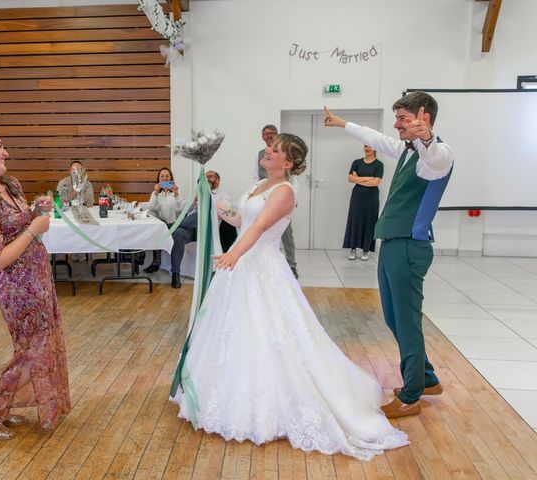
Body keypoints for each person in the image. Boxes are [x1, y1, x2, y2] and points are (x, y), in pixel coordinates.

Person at [171, 133, 408, 460]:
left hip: (262, 266)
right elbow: (242, 221)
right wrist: (216, 204)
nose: (268, 152)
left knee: (273, 333)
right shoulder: (259, 186)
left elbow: (258, 229)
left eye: (276, 150)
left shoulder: (284, 191)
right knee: (234, 331)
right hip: (243, 266)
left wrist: (233, 255)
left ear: (289, 163)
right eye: (270, 148)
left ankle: (272, 404)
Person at [324, 91, 454, 419]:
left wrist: (427, 137)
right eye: (397, 119)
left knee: (407, 322)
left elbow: (435, 155)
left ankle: (411, 396)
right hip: (393, 243)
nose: (397, 125)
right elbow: (377, 138)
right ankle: (425, 378)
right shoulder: (407, 151)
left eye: (403, 119)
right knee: (393, 317)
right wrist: (342, 124)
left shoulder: (437, 154)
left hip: (409, 246)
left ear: (424, 117)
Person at [0, 127, 71, 440]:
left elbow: (18, 227)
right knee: (34, 355)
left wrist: (36, 211)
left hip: (39, 280)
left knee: (33, 351)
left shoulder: (10, 184)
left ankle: (0, 410)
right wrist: (34, 229)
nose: (5, 152)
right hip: (18, 289)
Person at [254, 124, 298, 278]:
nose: (269, 136)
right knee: (261, 230)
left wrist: (294, 196)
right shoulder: (259, 154)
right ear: (262, 136)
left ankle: (291, 265)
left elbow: (293, 177)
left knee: (286, 233)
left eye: (272, 133)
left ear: (277, 135)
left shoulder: (285, 153)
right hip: (264, 197)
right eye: (265, 134)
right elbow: (256, 177)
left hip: (281, 196)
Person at [343, 145, 383, 261]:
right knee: (354, 220)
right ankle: (353, 249)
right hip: (357, 196)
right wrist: (368, 178)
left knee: (369, 221)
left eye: (370, 146)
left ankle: (366, 250)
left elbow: (376, 182)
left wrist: (359, 179)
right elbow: (350, 179)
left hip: (371, 198)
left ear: (375, 148)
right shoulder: (356, 162)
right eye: (365, 146)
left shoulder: (379, 165)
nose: (367, 148)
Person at [144, 167, 184, 273]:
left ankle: (171, 269)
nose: (164, 178)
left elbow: (182, 209)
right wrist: (156, 192)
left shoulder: (176, 192)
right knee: (153, 227)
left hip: (174, 224)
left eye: (167, 176)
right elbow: (151, 208)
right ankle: (155, 261)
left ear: (171, 178)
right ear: (159, 179)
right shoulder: (155, 193)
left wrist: (176, 194)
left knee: (160, 229)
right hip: (162, 225)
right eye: (162, 176)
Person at [206, 170, 237, 252]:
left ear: (218, 180)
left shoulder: (223, 194)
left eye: (210, 177)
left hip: (214, 222)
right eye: (206, 177)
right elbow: (188, 209)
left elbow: (225, 209)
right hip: (198, 222)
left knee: (228, 224)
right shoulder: (199, 194)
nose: (207, 179)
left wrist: (208, 195)